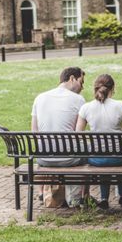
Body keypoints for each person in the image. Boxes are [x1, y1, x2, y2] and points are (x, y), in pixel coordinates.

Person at [76, 74, 122, 210]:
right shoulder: (121, 105)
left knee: (103, 159)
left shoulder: (86, 108)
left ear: (95, 88)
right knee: (121, 155)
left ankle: (104, 199)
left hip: (97, 159)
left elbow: (78, 133)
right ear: (112, 88)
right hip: (120, 158)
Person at [31, 67, 86, 207]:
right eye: (81, 82)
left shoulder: (40, 98)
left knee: (44, 146)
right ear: (72, 78)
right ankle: (81, 197)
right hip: (69, 159)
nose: (82, 87)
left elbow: (34, 131)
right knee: (88, 154)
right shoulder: (78, 100)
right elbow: (80, 134)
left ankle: (42, 192)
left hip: (43, 158)